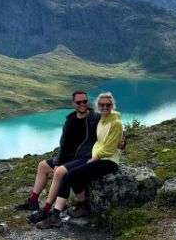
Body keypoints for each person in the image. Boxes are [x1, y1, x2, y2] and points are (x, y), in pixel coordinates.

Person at [35, 92, 123, 229]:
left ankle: (55, 215)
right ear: (98, 106)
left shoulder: (114, 122)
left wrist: (94, 157)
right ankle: (82, 206)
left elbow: (109, 148)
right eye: (102, 104)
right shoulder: (101, 120)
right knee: (74, 175)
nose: (105, 107)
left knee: (68, 175)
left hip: (108, 161)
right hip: (96, 157)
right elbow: (98, 141)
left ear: (112, 105)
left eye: (108, 104)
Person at [14, 90, 100, 214]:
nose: (82, 104)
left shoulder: (95, 118)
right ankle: (32, 201)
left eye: (85, 101)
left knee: (58, 172)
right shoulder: (70, 119)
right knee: (43, 166)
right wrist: (59, 161)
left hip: (84, 157)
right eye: (79, 102)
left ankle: (48, 209)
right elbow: (64, 143)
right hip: (70, 156)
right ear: (73, 104)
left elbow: (108, 130)